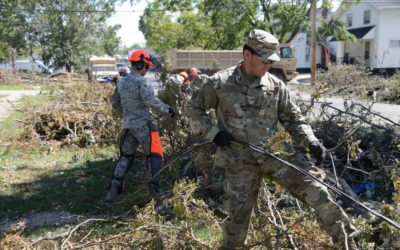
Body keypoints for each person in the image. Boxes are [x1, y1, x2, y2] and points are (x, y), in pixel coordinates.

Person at [186, 29, 358, 249]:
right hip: (239, 162)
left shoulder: (276, 86)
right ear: (247, 55)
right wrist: (213, 133)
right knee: (236, 223)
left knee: (319, 193)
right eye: (264, 60)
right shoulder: (220, 83)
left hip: (274, 155)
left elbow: (294, 119)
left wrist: (310, 141)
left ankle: (349, 243)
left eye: (271, 61)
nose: (268, 65)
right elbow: (192, 109)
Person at [105, 49, 176, 202]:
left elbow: (115, 104)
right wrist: (168, 109)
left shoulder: (121, 82)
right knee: (154, 155)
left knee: (125, 157)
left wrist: (129, 111)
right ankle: (157, 193)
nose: (147, 69)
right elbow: (150, 100)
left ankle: (113, 191)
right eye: (146, 66)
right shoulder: (141, 81)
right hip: (144, 125)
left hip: (127, 127)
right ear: (139, 65)